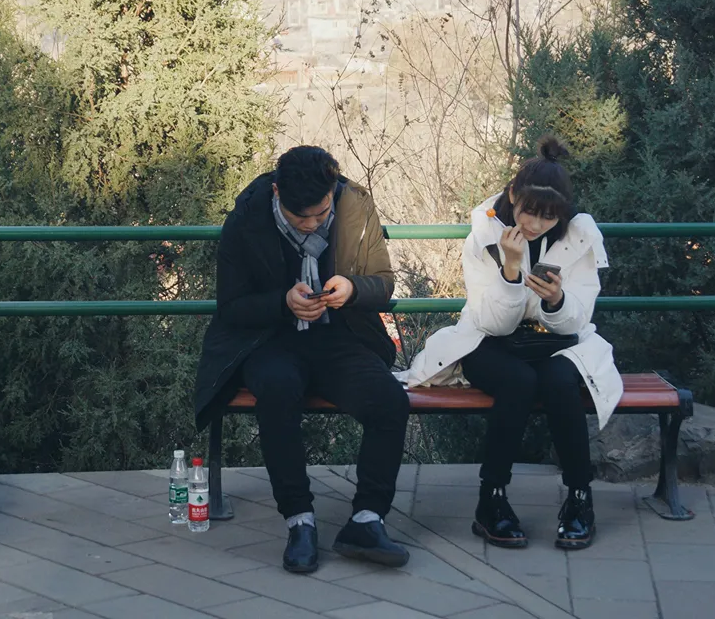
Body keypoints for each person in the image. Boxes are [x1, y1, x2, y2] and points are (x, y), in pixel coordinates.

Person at [394, 136, 623, 550]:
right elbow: (493, 323)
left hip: (557, 343)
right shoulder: (483, 235)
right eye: (530, 212)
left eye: (549, 218)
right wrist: (512, 272)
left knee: (558, 382)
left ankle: (579, 498)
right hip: (489, 342)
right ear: (513, 195)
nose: (536, 225)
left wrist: (556, 300)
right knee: (518, 382)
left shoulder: (580, 237)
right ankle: (492, 500)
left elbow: (580, 316)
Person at [193, 146, 410, 574]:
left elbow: (383, 283)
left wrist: (351, 289)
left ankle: (367, 519)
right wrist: (282, 302)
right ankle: (299, 520)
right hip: (268, 340)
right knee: (277, 389)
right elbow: (231, 306)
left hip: (341, 337)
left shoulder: (355, 206)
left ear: (332, 191)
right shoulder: (247, 217)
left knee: (390, 401)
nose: (313, 224)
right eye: (300, 218)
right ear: (277, 193)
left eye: (320, 213)